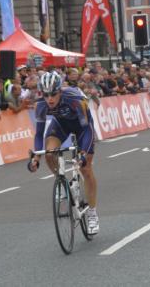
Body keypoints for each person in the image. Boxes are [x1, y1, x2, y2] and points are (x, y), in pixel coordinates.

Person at [28, 71, 99, 235]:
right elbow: (39, 134)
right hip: (61, 125)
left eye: (53, 94)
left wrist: (82, 154)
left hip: (82, 128)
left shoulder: (74, 99)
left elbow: (87, 129)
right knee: (49, 153)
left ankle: (92, 213)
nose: (50, 99)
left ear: (60, 91)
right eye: (46, 95)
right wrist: (36, 158)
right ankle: (61, 181)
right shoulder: (40, 105)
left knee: (86, 168)